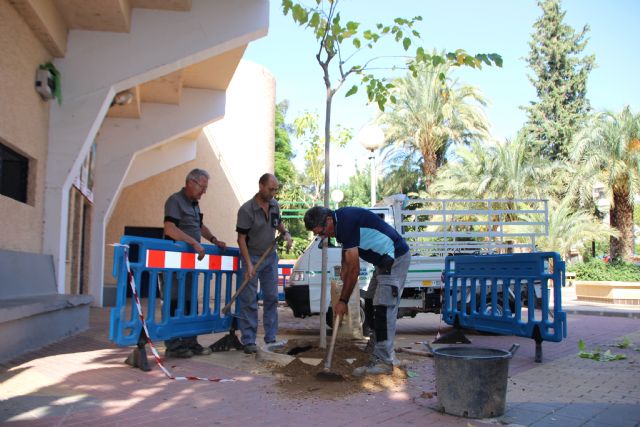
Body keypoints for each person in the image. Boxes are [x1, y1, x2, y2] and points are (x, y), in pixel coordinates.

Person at [303, 205, 411, 376]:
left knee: (383, 307)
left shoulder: (345, 222)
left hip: (395, 258)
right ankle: (377, 347)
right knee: (369, 301)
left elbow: (354, 270)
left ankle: (385, 361)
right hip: (382, 262)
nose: (323, 237)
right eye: (319, 235)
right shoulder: (339, 224)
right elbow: (347, 258)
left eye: (322, 232)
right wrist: (344, 269)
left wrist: (343, 301)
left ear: (328, 220)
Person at [162, 168, 226, 358]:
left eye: (206, 188)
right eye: (202, 187)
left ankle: (190, 342)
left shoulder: (194, 204)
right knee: (175, 302)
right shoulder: (175, 201)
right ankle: (174, 346)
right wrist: (194, 243)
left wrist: (214, 240)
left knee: (190, 303)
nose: (204, 192)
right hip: (175, 264)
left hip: (190, 264)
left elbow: (198, 226)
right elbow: (170, 228)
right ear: (191, 182)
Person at [236, 173, 293, 354]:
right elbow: (241, 239)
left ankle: (271, 338)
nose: (273, 193)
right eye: (270, 189)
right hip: (251, 257)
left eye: (275, 189)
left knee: (272, 298)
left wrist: (286, 234)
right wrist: (249, 264)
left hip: (270, 257)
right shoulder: (246, 210)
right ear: (261, 186)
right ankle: (249, 341)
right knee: (249, 300)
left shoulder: (274, 205)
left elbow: (278, 224)